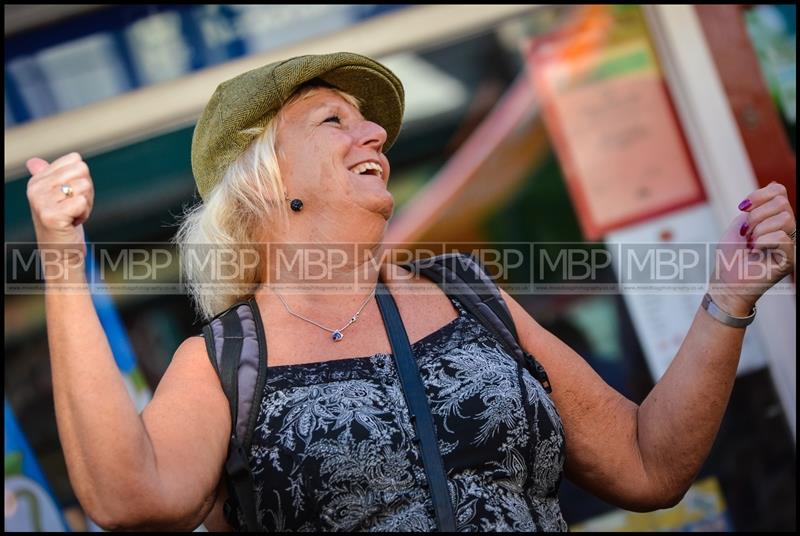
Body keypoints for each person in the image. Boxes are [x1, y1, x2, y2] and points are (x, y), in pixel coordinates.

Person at [25, 51, 796, 532]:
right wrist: (63, 256)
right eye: (335, 121)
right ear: (268, 180)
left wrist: (729, 297)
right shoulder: (228, 357)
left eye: (370, 125)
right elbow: (126, 499)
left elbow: (647, 464)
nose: (375, 138)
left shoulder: (470, 298)